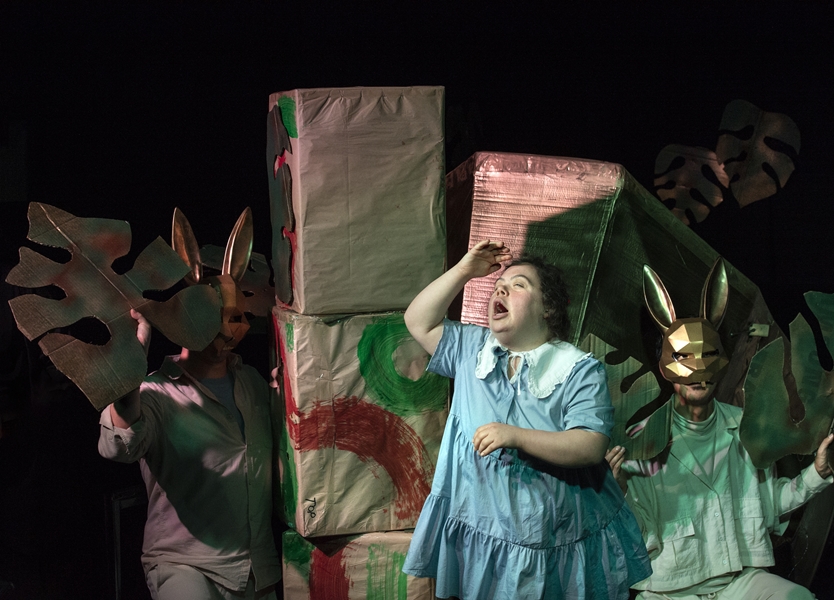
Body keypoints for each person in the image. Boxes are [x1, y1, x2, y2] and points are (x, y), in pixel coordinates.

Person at [401, 240, 652, 599]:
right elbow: (418, 320)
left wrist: (515, 436)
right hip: (485, 529)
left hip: (550, 540)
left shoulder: (577, 370)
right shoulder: (473, 350)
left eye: (519, 285)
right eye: (499, 284)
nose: (501, 287)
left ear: (547, 308)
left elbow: (590, 444)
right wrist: (465, 271)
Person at [606, 261, 833, 599]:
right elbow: (634, 536)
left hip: (738, 582)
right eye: (684, 357)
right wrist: (618, 493)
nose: (698, 368)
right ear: (664, 367)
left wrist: (817, 472)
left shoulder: (746, 425)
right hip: (668, 589)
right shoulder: (642, 441)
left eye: (709, 354)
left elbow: (772, 503)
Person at [98, 208, 280, 600]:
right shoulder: (157, 393)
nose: (224, 332)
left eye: (232, 318)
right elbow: (116, 444)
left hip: (256, 569)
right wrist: (132, 364)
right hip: (186, 567)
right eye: (210, 319)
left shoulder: (252, 385)